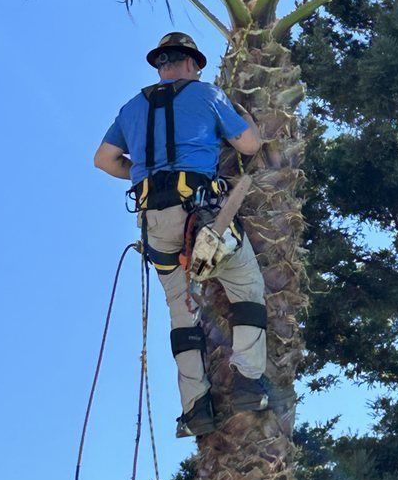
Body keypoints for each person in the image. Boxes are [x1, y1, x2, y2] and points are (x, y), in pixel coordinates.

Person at [94, 32, 269, 438]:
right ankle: (246, 383)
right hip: (200, 214)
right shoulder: (206, 95)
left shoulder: (132, 107)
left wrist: (140, 171)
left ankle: (196, 409)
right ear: (191, 63)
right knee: (246, 286)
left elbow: (103, 160)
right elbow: (248, 145)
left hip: (155, 223)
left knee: (181, 312)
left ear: (161, 65)